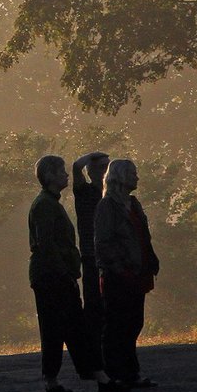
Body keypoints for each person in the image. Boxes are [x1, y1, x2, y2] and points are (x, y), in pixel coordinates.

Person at [28, 155, 118, 392]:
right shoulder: (46, 206)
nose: (66, 175)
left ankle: (67, 380)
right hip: (53, 277)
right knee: (69, 327)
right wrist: (65, 272)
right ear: (49, 176)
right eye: (61, 172)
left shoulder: (49, 203)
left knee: (63, 328)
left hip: (52, 276)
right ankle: (96, 378)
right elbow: (47, 245)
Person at [95, 158, 160, 388]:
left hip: (137, 272)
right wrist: (119, 266)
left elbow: (143, 234)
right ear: (120, 176)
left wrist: (150, 258)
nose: (136, 177)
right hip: (118, 275)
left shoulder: (133, 204)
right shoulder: (107, 206)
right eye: (132, 173)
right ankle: (116, 373)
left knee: (134, 322)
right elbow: (103, 242)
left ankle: (129, 371)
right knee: (117, 325)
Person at [71, 151, 112, 379]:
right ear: (92, 171)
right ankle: (92, 360)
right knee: (94, 308)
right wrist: (91, 156)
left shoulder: (109, 196)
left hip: (104, 257)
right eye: (101, 167)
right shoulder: (84, 193)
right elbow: (76, 168)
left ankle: (103, 358)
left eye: (108, 166)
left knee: (106, 309)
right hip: (90, 257)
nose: (106, 170)